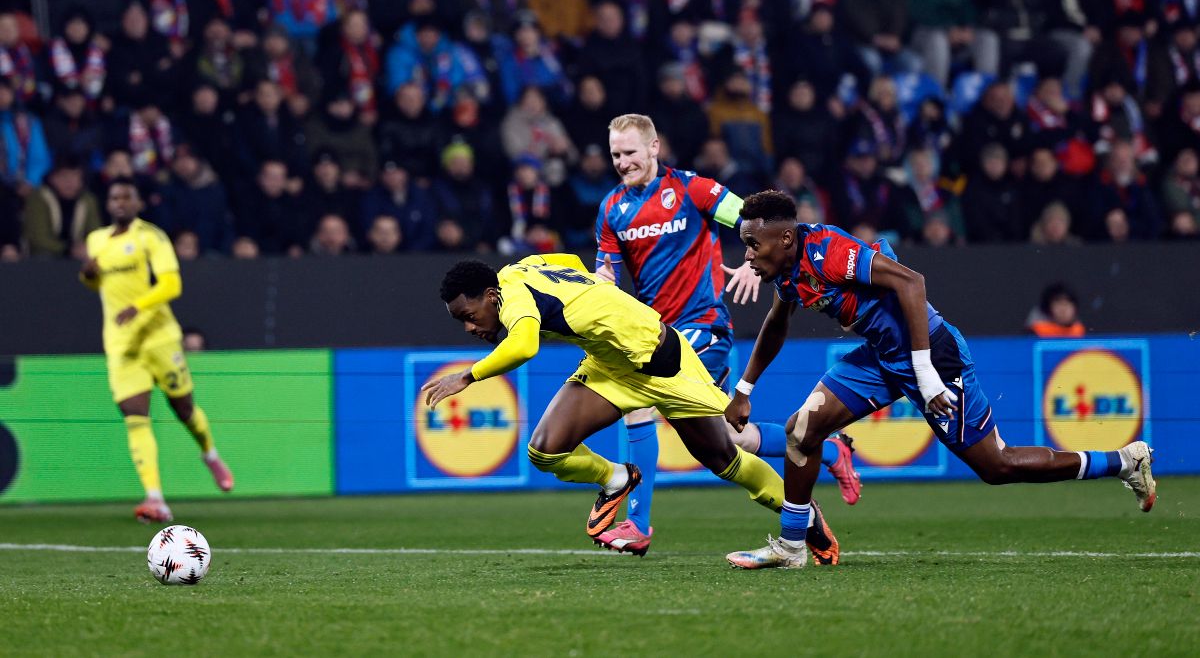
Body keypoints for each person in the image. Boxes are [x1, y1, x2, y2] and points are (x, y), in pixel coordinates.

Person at [723, 190, 1157, 569]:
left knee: (997, 466)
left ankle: (1123, 462)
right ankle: (792, 546)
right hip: (881, 357)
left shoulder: (828, 252)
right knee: (802, 430)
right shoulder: (788, 272)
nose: (747, 255)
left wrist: (926, 371)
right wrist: (744, 389)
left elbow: (912, 283)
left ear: (785, 238)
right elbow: (776, 324)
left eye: (752, 244)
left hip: (932, 353)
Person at [423, 254, 823, 558]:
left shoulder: (512, 301)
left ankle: (804, 518)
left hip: (660, 361)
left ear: (490, 296)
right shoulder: (517, 269)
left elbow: (525, 345)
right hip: (610, 364)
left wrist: (467, 376)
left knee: (724, 455)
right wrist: (594, 298)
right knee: (545, 450)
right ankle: (617, 479)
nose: (470, 328)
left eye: (469, 316)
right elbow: (570, 261)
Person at [592, 114, 859, 559]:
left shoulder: (691, 189)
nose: (623, 162)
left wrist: (755, 263)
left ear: (654, 147)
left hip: (703, 325)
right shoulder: (611, 208)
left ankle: (638, 524)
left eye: (631, 152)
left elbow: (753, 221)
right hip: (655, 333)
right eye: (616, 154)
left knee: (638, 404)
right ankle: (829, 451)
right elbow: (608, 272)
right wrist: (600, 284)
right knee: (732, 438)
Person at [79, 179, 234, 523]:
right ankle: (155, 498)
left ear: (138, 203)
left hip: (158, 336)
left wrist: (138, 306)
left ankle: (209, 453)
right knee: (135, 418)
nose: (120, 202)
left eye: (127, 197)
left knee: (184, 409)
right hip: (121, 343)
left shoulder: (151, 237)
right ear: (108, 203)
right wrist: (88, 276)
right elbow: (97, 284)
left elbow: (172, 284)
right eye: (115, 197)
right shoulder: (96, 240)